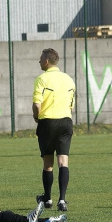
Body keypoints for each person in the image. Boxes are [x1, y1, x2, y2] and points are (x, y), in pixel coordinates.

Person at [32, 48, 76, 211]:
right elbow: (71, 105)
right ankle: (62, 200)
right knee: (63, 161)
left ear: (46, 61)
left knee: (48, 163)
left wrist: (37, 117)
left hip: (48, 122)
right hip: (66, 121)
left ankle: (48, 198)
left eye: (40, 59)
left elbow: (37, 104)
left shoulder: (42, 79)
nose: (39, 61)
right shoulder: (69, 79)